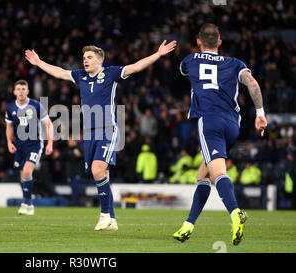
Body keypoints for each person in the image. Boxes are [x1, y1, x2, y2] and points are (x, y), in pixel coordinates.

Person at [25, 39, 177, 230]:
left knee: (98, 171)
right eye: (84, 58)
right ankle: (112, 219)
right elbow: (60, 72)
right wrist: (39, 63)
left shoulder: (111, 73)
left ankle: (104, 215)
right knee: (102, 174)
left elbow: (136, 67)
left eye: (89, 57)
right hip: (89, 134)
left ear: (100, 60)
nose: (85, 61)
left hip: (107, 130)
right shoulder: (81, 75)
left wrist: (158, 54)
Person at [173, 23, 267, 245]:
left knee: (217, 173)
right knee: (203, 175)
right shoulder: (235, 63)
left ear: (198, 41)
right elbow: (252, 83)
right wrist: (260, 113)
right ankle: (188, 225)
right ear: (220, 42)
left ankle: (236, 213)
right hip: (233, 124)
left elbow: (182, 71)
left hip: (209, 120)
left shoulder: (191, 60)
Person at [5, 79, 53, 215]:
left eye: (23, 89)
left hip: (34, 144)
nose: (21, 91)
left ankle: (28, 203)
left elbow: (49, 124)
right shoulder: (10, 108)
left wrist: (50, 143)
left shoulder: (36, 105)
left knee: (26, 172)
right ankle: (27, 203)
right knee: (22, 175)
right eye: (18, 89)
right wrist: (9, 142)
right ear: (14, 92)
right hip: (19, 145)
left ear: (28, 91)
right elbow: (8, 127)